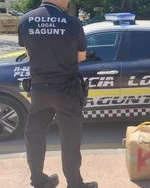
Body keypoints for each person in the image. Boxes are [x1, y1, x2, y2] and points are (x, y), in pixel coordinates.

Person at [18, 0, 98, 188]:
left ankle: (38, 180)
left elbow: (28, 52)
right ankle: (74, 184)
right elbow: (81, 57)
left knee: (34, 135)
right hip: (67, 90)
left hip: (40, 89)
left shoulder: (26, 20)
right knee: (70, 139)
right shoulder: (72, 23)